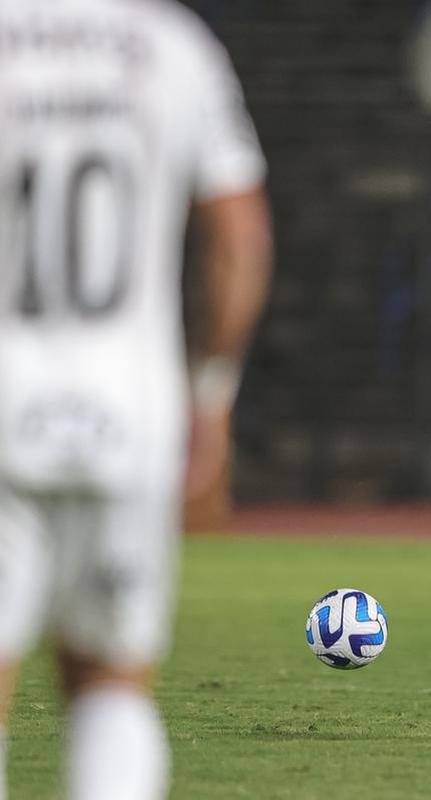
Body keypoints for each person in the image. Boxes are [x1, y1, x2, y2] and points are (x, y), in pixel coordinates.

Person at [0, 1, 272, 797]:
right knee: (111, 680)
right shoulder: (174, 48)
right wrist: (212, 394)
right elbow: (239, 235)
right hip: (128, 417)